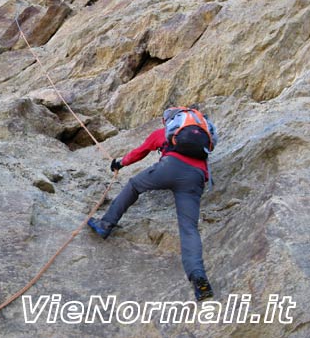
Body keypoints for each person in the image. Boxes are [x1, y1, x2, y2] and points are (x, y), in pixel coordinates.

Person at [87, 106, 218, 301]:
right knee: (189, 228)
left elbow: (140, 152)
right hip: (195, 177)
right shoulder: (201, 136)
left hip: (168, 167)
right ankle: (199, 277)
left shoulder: (164, 133)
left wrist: (119, 163)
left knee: (133, 185)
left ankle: (105, 225)